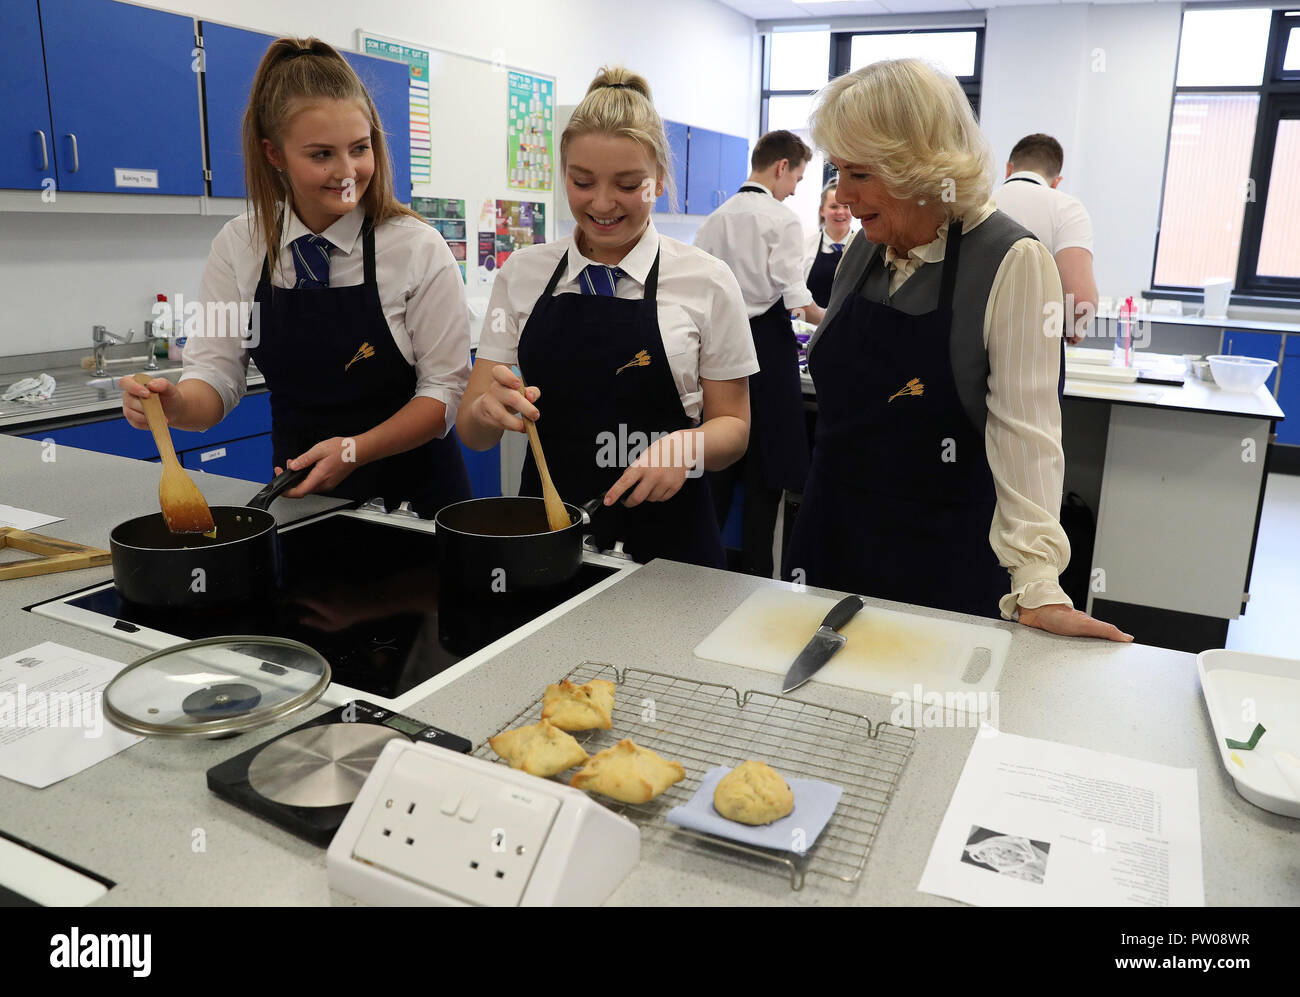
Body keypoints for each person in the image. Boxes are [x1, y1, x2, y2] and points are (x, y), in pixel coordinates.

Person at [784, 59, 1130, 642]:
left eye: (860, 174)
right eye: (838, 170)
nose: (841, 194)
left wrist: (1038, 582)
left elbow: (1027, 434)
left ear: (921, 168)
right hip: (830, 543)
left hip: (938, 563)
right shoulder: (866, 248)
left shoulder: (1009, 259)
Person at [119, 37, 471, 517]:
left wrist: (354, 450)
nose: (347, 172)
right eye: (321, 154)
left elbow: (443, 395)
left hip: (417, 505)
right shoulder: (239, 246)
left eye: (359, 148)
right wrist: (175, 405)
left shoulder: (416, 249)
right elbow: (216, 377)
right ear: (274, 154)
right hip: (300, 501)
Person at [457, 66, 755, 570]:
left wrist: (689, 446)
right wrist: (488, 411)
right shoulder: (524, 274)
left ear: (658, 180)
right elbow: (472, 431)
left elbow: (735, 428)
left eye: (627, 184)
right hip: (547, 535)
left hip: (671, 550)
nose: (601, 203)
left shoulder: (708, 281)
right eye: (582, 181)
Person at [693, 130, 822, 578]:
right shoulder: (782, 220)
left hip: (719, 348)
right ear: (781, 166)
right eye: (798, 178)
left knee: (718, 472)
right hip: (766, 347)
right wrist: (838, 321)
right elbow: (797, 300)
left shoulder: (716, 218)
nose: (794, 189)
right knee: (766, 479)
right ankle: (756, 582)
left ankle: (700, 575)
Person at [996, 134, 1098, 348]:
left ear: (1008, 168)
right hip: (1034, 352)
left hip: (966, 351)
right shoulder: (1067, 209)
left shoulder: (975, 202)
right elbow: (1081, 301)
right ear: (1056, 181)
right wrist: (1073, 327)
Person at [804, 180, 855, 308]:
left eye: (846, 206)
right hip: (811, 325)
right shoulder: (805, 247)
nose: (840, 212)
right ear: (822, 210)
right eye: (834, 206)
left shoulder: (865, 248)